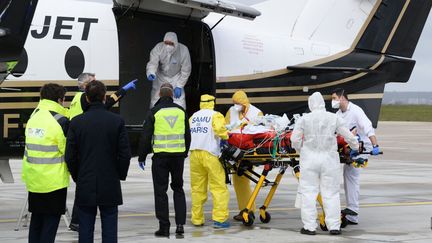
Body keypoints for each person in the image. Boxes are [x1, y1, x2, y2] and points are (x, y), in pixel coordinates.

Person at [68, 73, 137, 231]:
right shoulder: (82, 99)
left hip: (81, 139)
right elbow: (105, 104)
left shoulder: (75, 99)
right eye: (93, 82)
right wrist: (123, 91)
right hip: (89, 139)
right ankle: (76, 220)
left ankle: (77, 220)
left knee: (84, 190)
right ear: (86, 86)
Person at [291, 92, 359, 235]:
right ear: (323, 103)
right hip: (329, 160)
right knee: (331, 193)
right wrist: (355, 147)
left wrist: (301, 150)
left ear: (311, 104)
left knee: (308, 193)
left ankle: (309, 227)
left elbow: (295, 140)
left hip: (309, 160)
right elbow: (347, 135)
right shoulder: (334, 118)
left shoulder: (304, 119)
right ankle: (334, 226)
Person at [137, 83, 190, 238]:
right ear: (172, 96)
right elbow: (187, 135)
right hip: (178, 157)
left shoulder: (154, 111)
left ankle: (164, 227)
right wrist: (184, 152)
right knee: (178, 189)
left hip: (160, 157)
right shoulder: (181, 111)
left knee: (161, 192)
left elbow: (146, 136)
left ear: (159, 95)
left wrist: (141, 156)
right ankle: (180, 225)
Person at [21, 83, 70, 243]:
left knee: (36, 220)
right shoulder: (60, 120)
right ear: (59, 100)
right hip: (53, 182)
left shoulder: (33, 116)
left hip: (34, 179)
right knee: (51, 222)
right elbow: (68, 152)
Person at [331, 88, 380, 226]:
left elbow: (368, 127)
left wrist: (375, 145)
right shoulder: (338, 114)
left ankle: (353, 210)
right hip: (349, 147)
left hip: (362, 146)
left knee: (351, 175)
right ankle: (353, 215)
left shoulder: (356, 111)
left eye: (334, 98)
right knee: (348, 176)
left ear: (342, 98)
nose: (332, 101)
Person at [190, 94, 230, 228]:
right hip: (210, 154)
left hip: (194, 154)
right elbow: (219, 130)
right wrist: (226, 136)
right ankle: (220, 219)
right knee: (218, 187)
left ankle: (197, 218)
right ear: (212, 102)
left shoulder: (193, 116)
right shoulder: (216, 115)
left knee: (197, 188)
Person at [225, 90, 263, 221]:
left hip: (248, 152)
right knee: (239, 181)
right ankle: (245, 210)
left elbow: (260, 132)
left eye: (237, 103)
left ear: (244, 103)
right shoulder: (231, 111)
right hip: (235, 150)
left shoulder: (256, 112)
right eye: (234, 103)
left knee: (243, 180)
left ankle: (248, 210)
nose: (235, 105)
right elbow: (225, 127)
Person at [146, 32, 191, 109]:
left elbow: (186, 70)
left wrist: (179, 85)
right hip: (161, 76)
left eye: (171, 43)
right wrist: (151, 72)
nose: (168, 46)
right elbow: (153, 62)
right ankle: (153, 118)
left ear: (176, 43)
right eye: (166, 43)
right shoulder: (159, 48)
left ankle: (180, 118)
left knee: (179, 102)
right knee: (156, 100)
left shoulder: (183, 50)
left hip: (176, 77)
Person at [69, 72, 138, 119]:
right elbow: (106, 103)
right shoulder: (84, 97)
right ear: (85, 85)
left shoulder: (77, 96)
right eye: (93, 82)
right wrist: (124, 90)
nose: (96, 84)